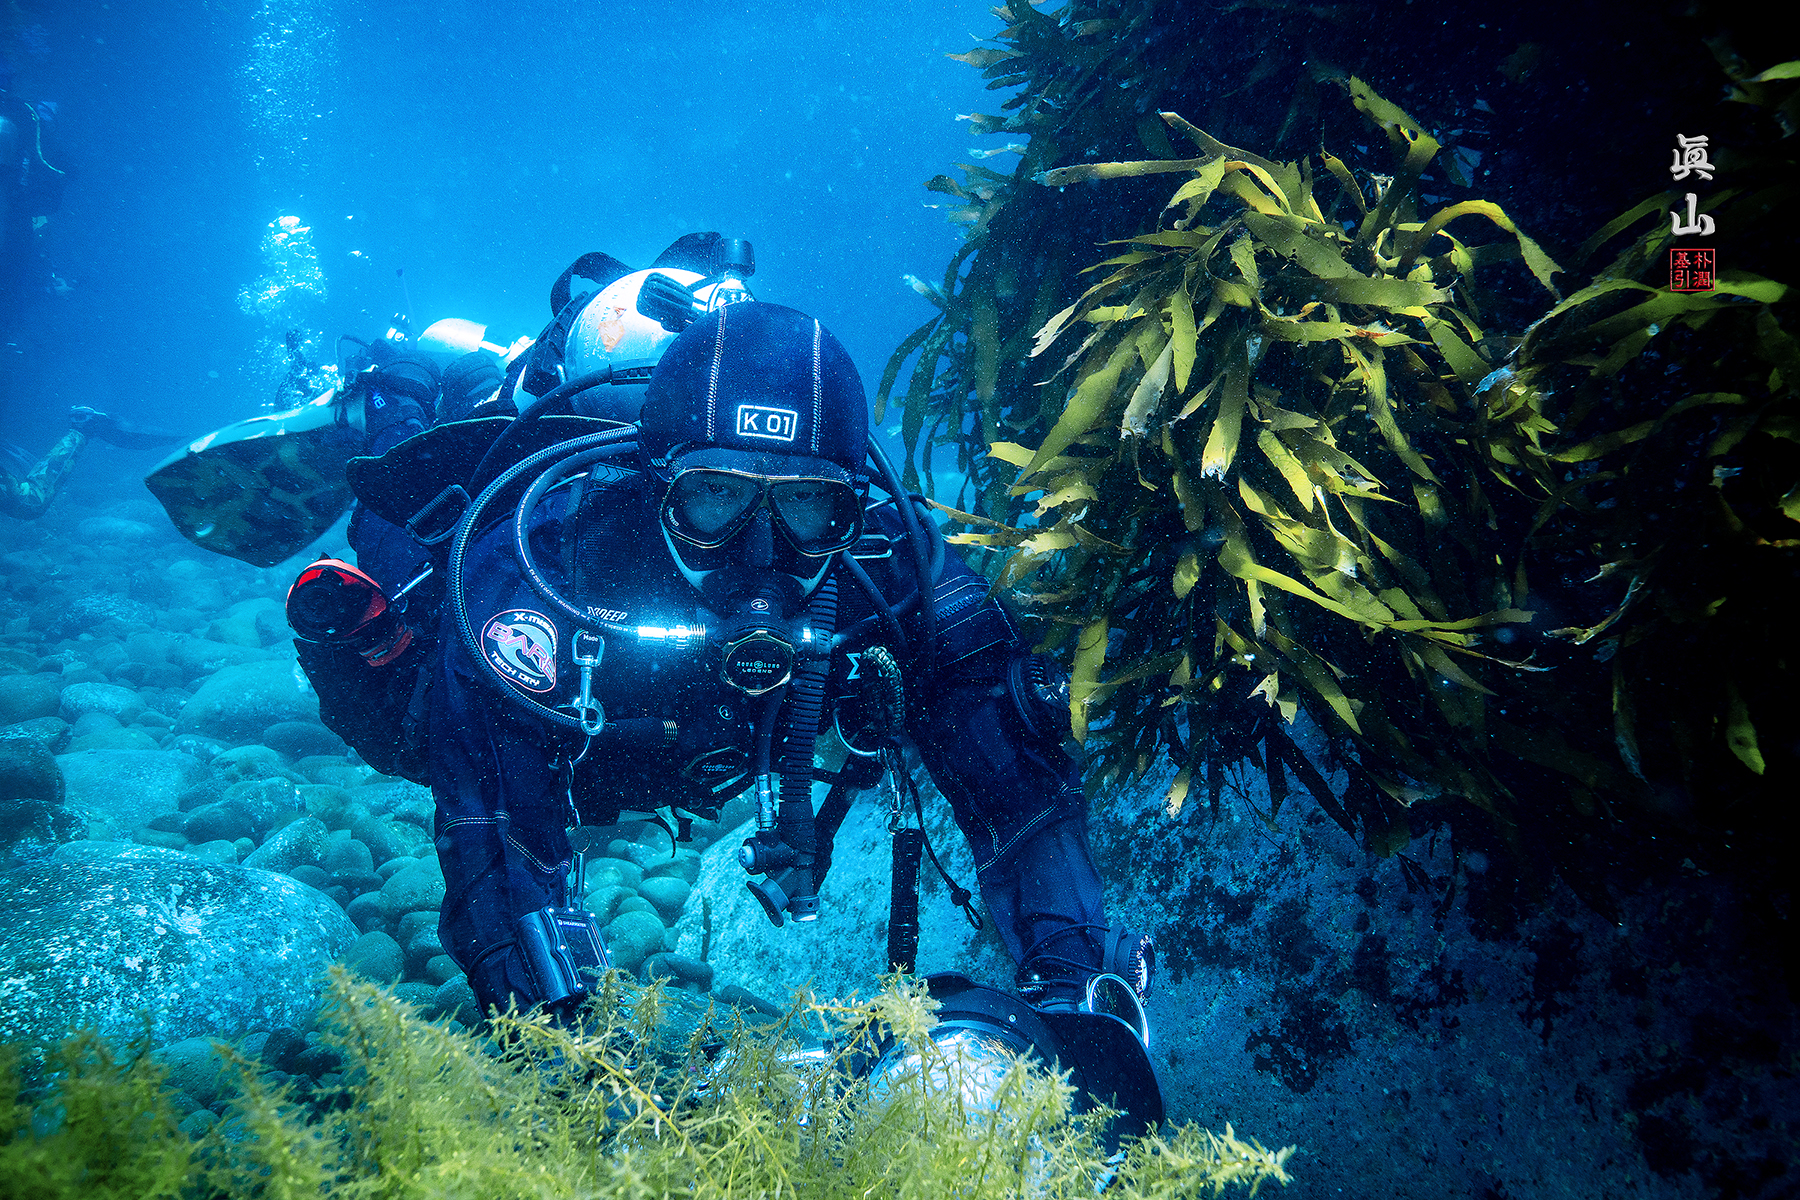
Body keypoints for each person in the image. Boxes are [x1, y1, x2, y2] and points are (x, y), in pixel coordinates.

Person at [1, 407, 164, 519]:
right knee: (30, 501)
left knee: (29, 499)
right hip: (23, 501)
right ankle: (82, 430)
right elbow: (29, 503)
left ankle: (81, 431)